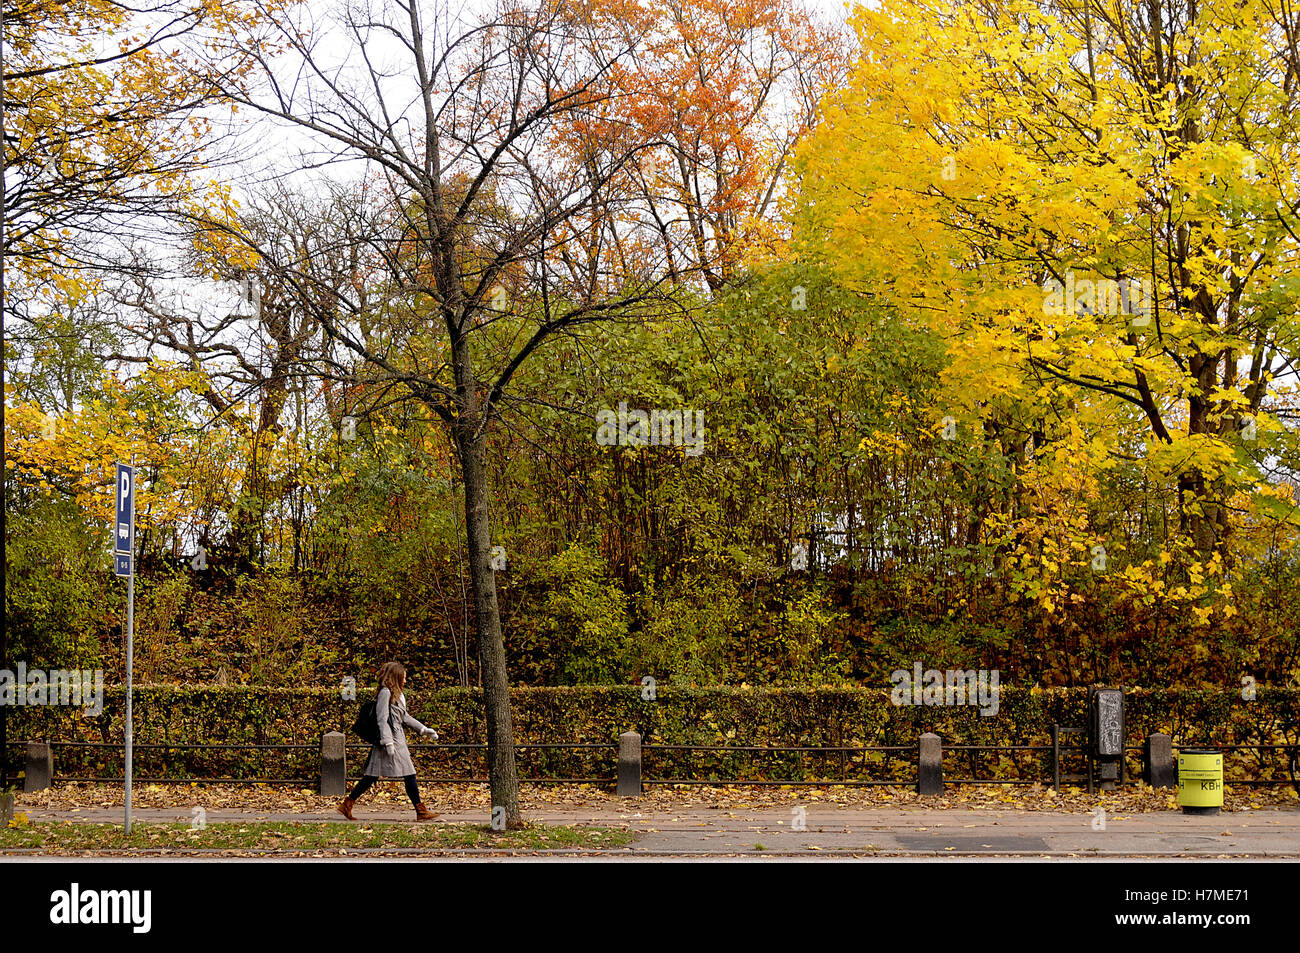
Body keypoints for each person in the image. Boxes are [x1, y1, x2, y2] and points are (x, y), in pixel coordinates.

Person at [337, 662, 439, 821]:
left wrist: (423, 729)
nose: (405, 680)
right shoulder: (385, 693)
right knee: (407, 774)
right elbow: (382, 718)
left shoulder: (397, 694)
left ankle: (347, 804)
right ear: (395, 677)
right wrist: (388, 742)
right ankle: (421, 811)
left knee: (373, 776)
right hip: (390, 741)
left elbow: (404, 717)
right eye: (403, 677)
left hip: (396, 739)